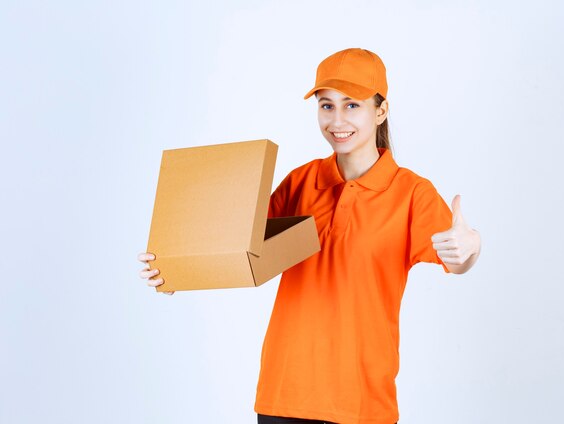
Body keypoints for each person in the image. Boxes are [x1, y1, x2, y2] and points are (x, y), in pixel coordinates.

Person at [138, 48, 481, 424]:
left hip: (361, 401)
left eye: (352, 106)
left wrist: (470, 249)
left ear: (380, 111)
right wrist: (177, 269)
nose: (337, 120)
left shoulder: (410, 193)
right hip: (284, 394)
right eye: (326, 105)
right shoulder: (302, 182)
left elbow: (455, 258)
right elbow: (238, 247)